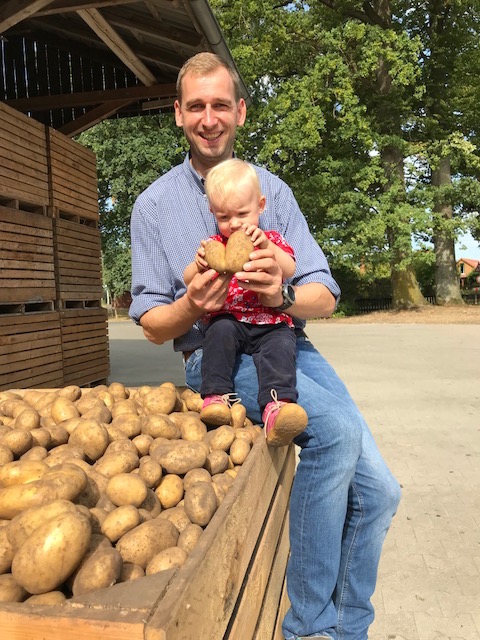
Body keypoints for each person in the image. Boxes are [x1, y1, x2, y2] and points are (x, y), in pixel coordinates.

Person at [130, 51, 401, 640]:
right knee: (336, 436)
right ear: (178, 114)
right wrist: (193, 304)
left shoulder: (271, 191)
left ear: (241, 112)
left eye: (220, 105)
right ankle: (308, 628)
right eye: (196, 106)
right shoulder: (153, 205)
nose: (209, 118)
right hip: (217, 353)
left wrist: (280, 295)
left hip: (284, 340)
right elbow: (152, 323)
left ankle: (346, 628)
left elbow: (325, 294)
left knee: (382, 491)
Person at [183, 158, 308, 445]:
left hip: (270, 321)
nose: (234, 223)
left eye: (242, 213)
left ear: (261, 206)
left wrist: (266, 247)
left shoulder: (271, 239)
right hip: (231, 319)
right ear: (213, 213)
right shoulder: (216, 244)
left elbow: (289, 268)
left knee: (280, 350)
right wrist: (199, 263)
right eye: (224, 217)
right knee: (217, 334)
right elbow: (188, 277)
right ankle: (215, 397)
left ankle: (278, 407)